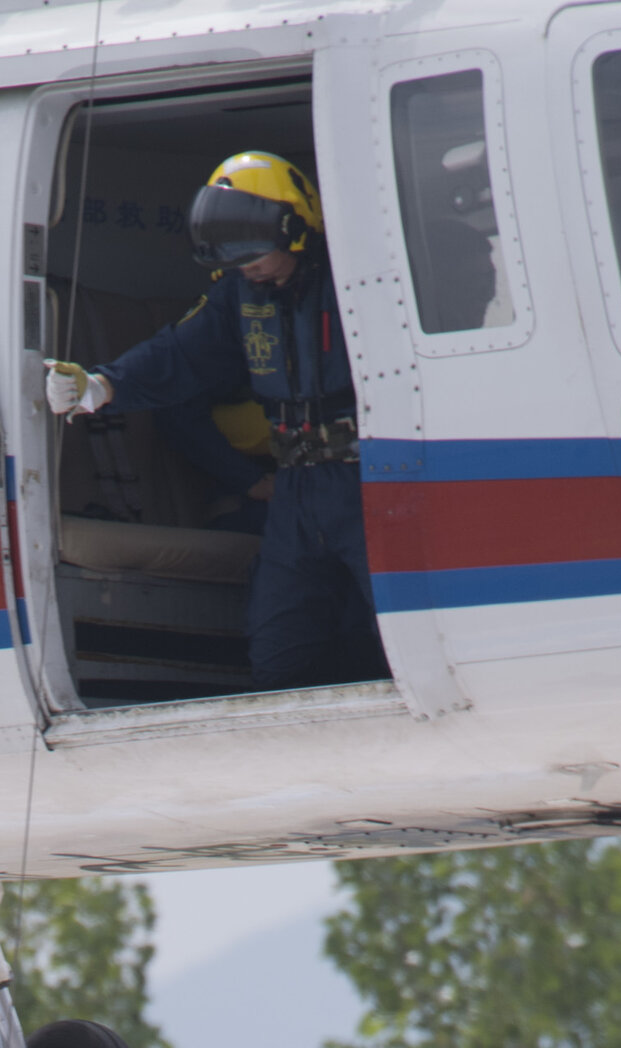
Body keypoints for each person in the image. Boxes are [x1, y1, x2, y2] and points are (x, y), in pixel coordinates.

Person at [47, 152, 387, 694]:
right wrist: (102, 385)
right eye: (233, 257)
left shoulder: (360, 279)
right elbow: (180, 352)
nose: (244, 266)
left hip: (373, 480)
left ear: (295, 228)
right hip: (295, 491)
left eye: (252, 252)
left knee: (395, 634)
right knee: (278, 652)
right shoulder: (240, 295)